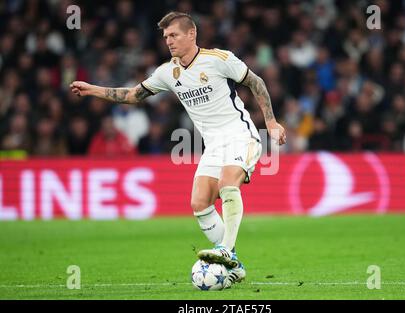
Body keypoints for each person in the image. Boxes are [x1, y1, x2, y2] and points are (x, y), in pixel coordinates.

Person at [70, 11, 286, 288]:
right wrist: (92, 90)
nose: (168, 41)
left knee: (227, 184)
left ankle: (226, 251)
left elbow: (256, 82)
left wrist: (271, 123)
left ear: (191, 34)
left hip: (241, 136)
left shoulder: (219, 59)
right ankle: (235, 265)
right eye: (165, 37)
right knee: (199, 204)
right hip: (212, 146)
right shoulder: (167, 73)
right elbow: (133, 95)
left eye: (173, 35)